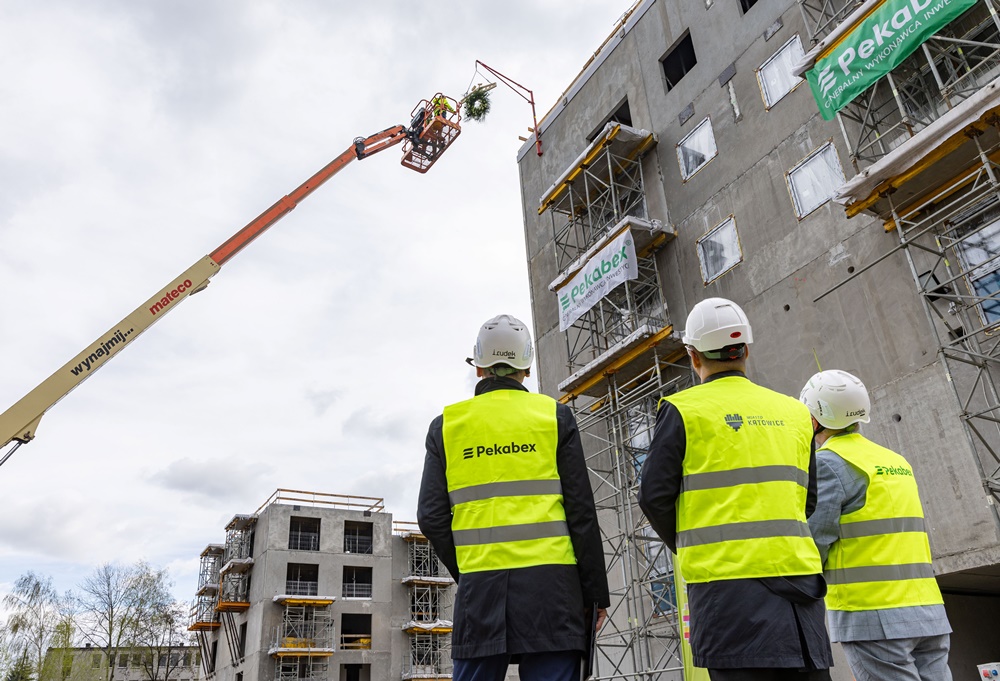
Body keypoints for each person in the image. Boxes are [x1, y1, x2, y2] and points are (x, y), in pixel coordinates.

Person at [637, 297, 833, 681]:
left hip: (725, 595)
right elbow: (807, 499)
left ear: (693, 356)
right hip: (800, 594)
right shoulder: (796, 412)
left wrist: (695, 540)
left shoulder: (682, 410)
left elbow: (653, 496)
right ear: (746, 349)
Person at [417, 314, 610, 681]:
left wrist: (469, 572)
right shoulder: (554, 417)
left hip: (481, 593)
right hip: (554, 594)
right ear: (527, 366)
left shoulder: (447, 426)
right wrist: (594, 595)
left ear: (478, 367)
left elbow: (430, 516)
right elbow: (581, 513)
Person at [800, 370, 953, 681]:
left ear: (814, 419)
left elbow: (813, 543)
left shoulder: (828, 464)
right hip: (929, 612)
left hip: (874, 617)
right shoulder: (896, 462)